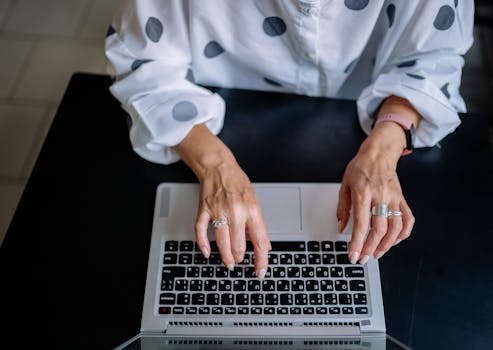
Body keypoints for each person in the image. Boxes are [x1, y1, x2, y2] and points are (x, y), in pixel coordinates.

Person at [105, 0, 473, 279]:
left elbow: (431, 58)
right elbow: (143, 63)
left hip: (362, 110)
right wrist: (215, 166)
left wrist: (381, 152)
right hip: (211, 111)